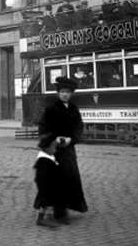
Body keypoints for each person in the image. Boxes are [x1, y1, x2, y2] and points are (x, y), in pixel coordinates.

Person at [38, 76, 88, 223]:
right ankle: (53, 213)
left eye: (67, 92)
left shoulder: (74, 109)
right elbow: (43, 129)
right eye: (62, 91)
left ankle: (62, 210)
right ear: (58, 93)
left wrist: (71, 139)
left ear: (71, 93)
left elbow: (78, 128)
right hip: (53, 151)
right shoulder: (51, 109)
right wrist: (54, 139)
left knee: (69, 180)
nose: (65, 94)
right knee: (52, 181)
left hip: (68, 152)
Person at [33, 134, 62, 228]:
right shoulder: (43, 160)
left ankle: (40, 219)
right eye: (53, 147)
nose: (55, 149)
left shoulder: (49, 156)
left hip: (49, 183)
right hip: (45, 184)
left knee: (45, 203)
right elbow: (42, 176)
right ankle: (48, 218)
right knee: (48, 202)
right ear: (46, 148)